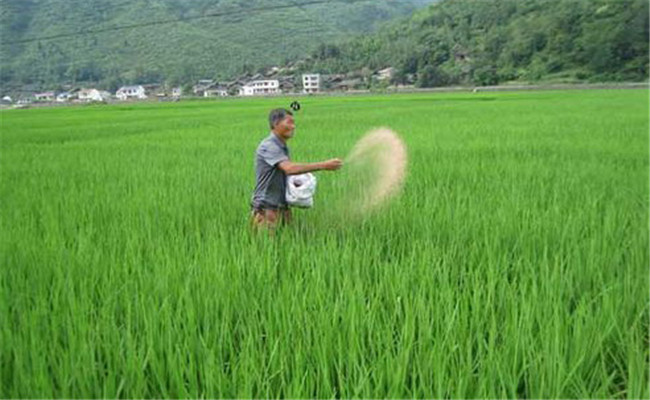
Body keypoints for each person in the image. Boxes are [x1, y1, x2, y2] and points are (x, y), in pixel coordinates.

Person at [251, 108, 343, 228]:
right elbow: (289, 168)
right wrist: (324, 165)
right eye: (289, 122)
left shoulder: (281, 146)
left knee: (288, 240)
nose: (293, 126)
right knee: (265, 245)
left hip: (281, 205)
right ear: (275, 124)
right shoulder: (269, 146)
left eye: (294, 123)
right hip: (266, 207)